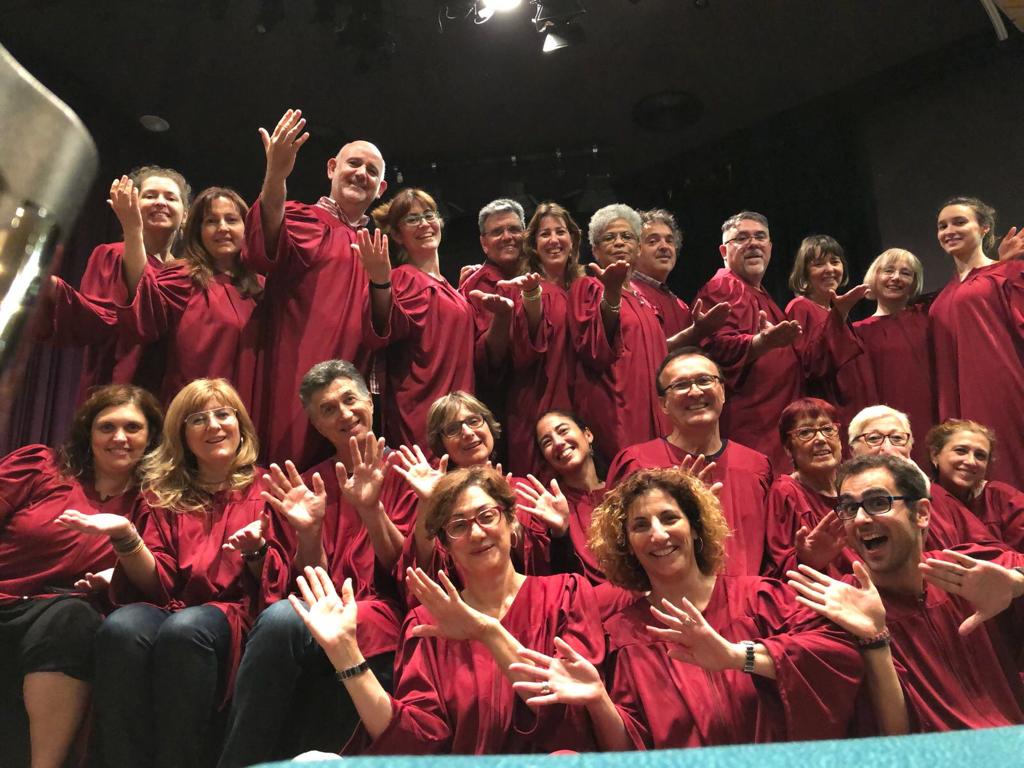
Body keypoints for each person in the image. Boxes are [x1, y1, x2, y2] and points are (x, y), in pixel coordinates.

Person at [509, 468, 861, 749]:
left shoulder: (760, 599)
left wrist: (737, 656)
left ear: (694, 528)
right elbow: (630, 749)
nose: (658, 535)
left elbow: (837, 658)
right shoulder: (622, 636)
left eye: (669, 518)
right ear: (627, 545)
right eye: (640, 526)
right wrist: (600, 700)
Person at [289, 467, 606, 754]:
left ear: (512, 522)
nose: (476, 533)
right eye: (459, 526)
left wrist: (488, 632)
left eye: (487, 516)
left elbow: (573, 723)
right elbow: (413, 741)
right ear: (446, 545)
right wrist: (346, 655)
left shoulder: (566, 594)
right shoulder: (427, 622)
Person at [60, 379, 269, 768]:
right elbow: (156, 584)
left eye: (223, 415)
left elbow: (274, 582)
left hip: (234, 611)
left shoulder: (268, 489)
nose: (213, 425)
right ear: (182, 435)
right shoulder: (163, 494)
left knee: (185, 629)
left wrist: (255, 550)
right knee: (122, 628)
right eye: (198, 419)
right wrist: (126, 536)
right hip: (170, 606)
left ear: (240, 425)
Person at [218, 360, 415, 766]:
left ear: (370, 402)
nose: (344, 414)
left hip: (383, 609)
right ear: (317, 424)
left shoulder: (409, 470)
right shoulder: (309, 484)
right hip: (321, 603)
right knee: (284, 618)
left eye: (350, 400)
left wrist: (372, 510)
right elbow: (310, 579)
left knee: (286, 621)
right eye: (328, 409)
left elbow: (407, 569)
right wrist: (309, 531)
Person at [788, 453, 1024, 734]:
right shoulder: (845, 604)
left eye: (878, 503)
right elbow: (789, 657)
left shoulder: (965, 568)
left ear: (922, 513)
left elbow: (1014, 571)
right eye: (850, 508)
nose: (860, 519)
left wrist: (1015, 582)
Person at [0, 385, 161, 768]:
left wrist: (116, 571)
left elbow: (160, 574)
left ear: (151, 437)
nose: (119, 437)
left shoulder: (155, 502)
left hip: (61, 608)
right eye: (107, 427)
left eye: (132, 427)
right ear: (89, 432)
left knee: (72, 618)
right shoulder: (42, 469)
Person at [242, 108, 388, 467]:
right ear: (331, 168)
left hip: (352, 378)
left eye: (372, 171)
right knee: (289, 462)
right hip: (296, 366)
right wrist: (276, 174)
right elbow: (264, 246)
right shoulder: (301, 218)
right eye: (354, 164)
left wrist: (381, 279)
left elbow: (381, 325)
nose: (362, 173)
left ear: (381, 189)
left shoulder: (375, 248)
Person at [695, 211, 865, 470]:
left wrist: (838, 316)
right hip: (753, 426)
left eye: (760, 237)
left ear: (770, 247)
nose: (753, 243)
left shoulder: (762, 295)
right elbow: (712, 352)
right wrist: (760, 342)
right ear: (724, 251)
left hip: (778, 422)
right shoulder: (726, 286)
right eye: (742, 238)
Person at [607, 348, 773, 576]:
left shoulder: (756, 466)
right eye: (681, 385)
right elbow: (617, 550)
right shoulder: (637, 463)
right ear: (663, 404)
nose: (695, 392)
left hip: (747, 595)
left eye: (704, 380)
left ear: (723, 391)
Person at [42, 167, 191, 400]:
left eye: (171, 198)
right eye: (150, 195)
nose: (160, 202)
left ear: (185, 216)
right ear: (133, 205)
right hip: (112, 388)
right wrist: (51, 287)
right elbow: (96, 320)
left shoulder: (188, 274)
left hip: (170, 394)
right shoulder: (110, 255)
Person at [118, 186, 263, 406]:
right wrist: (133, 230)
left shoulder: (261, 289)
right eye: (211, 221)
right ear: (198, 231)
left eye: (232, 220)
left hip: (247, 410)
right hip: (193, 410)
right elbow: (141, 309)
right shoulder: (181, 279)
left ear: (246, 227)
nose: (222, 228)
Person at [929, 196, 1024, 486]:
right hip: (954, 393)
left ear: (984, 228)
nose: (949, 231)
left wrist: (1004, 266)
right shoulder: (946, 292)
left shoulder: (1008, 273)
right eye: (942, 226)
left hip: (999, 387)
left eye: (959, 222)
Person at [847, 405, 1000, 552]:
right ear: (853, 450)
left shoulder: (937, 495)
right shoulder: (846, 506)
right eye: (874, 439)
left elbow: (991, 550)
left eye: (897, 438)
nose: (887, 449)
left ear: (909, 448)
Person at [506, 203, 583, 476]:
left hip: (582, 398)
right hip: (539, 399)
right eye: (544, 234)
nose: (553, 240)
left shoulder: (585, 288)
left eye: (560, 232)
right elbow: (523, 347)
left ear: (572, 240)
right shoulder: (525, 288)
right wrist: (532, 297)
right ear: (534, 246)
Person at [849, 248, 933, 467]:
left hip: (929, 414)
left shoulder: (927, 318)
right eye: (888, 271)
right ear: (874, 277)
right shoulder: (857, 332)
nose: (896, 277)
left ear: (914, 283)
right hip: (884, 423)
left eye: (905, 273)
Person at [458, 199, 528, 460]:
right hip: (505, 407)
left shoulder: (544, 275)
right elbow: (486, 363)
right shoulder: (474, 287)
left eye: (514, 229)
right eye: (497, 232)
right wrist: (502, 318)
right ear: (484, 243)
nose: (507, 237)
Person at [763, 398, 857, 578]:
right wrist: (807, 561)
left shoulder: (856, 488)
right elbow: (778, 570)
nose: (820, 439)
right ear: (788, 448)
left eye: (827, 429)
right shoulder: (786, 493)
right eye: (806, 432)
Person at [785, 235, 863, 424]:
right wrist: (839, 315)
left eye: (835, 262)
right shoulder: (800, 307)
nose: (830, 269)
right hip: (822, 412)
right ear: (805, 272)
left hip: (849, 407)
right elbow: (810, 366)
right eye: (819, 264)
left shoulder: (834, 310)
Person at [926, 419, 1024, 551]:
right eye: (961, 451)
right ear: (935, 455)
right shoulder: (919, 499)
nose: (971, 461)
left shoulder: (1006, 500)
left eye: (980, 456)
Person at [633, 209, 692, 336]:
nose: (664, 246)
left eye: (669, 241)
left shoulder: (681, 307)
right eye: (653, 241)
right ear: (634, 250)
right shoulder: (624, 294)